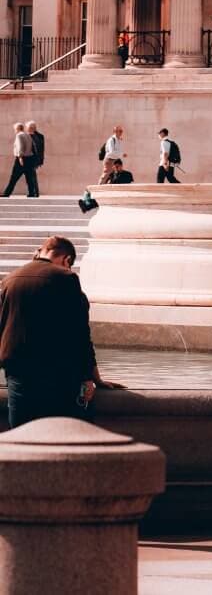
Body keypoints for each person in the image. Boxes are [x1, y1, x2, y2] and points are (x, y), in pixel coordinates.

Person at [0, 235, 123, 426]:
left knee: (21, 436)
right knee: (63, 434)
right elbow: (79, 333)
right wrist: (90, 377)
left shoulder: (10, 279)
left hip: (18, 373)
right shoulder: (66, 278)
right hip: (57, 374)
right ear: (66, 260)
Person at [2, 123, 38, 198]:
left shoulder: (19, 135)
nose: (14, 131)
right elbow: (32, 147)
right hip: (30, 158)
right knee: (29, 177)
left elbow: (20, 146)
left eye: (15, 129)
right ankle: (31, 193)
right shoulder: (28, 135)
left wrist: (20, 157)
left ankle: (7, 193)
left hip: (22, 158)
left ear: (17, 128)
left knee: (14, 177)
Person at [26, 122, 45, 192]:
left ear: (31, 128)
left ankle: (34, 192)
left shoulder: (37, 136)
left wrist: (40, 160)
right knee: (32, 175)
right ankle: (35, 192)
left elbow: (41, 149)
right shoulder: (40, 136)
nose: (27, 129)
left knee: (31, 176)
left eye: (27, 127)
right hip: (33, 159)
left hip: (32, 159)